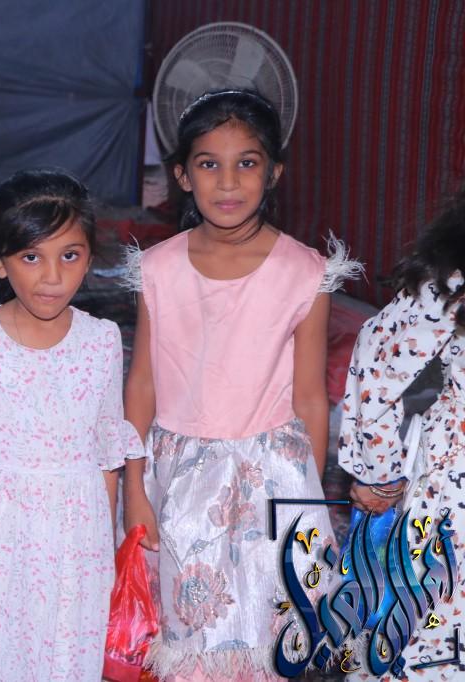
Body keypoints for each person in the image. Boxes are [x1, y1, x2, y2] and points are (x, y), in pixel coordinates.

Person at [121, 89, 361, 680]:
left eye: (246, 163)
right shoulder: (158, 268)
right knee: (192, 637)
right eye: (209, 164)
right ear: (182, 175)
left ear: (274, 171)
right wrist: (134, 485)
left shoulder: (303, 271)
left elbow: (311, 396)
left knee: (269, 635)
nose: (228, 182)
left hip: (273, 480)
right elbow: (142, 382)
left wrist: (307, 500)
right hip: (180, 482)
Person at [0, 169, 142, 681]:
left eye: (69, 256)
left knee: (64, 660)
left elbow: (106, 455)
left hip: (75, 546)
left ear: (89, 259)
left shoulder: (101, 341)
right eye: (31, 257)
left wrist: (104, 553)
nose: (52, 277)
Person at [338, 185, 465, 680]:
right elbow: (379, 361)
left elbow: (377, 362)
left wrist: (379, 472)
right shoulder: (453, 279)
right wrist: (382, 473)